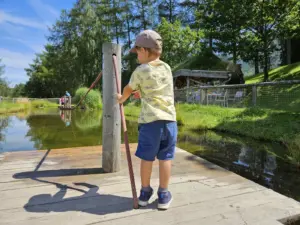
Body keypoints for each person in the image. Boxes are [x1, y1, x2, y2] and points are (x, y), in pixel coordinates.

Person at [116, 30, 177, 210]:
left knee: (147, 159)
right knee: (166, 158)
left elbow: (128, 88)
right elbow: (157, 88)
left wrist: (122, 98)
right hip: (170, 122)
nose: (137, 56)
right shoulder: (166, 68)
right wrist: (141, 93)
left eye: (137, 52)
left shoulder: (140, 70)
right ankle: (164, 195)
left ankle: (144, 193)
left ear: (144, 50)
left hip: (150, 123)